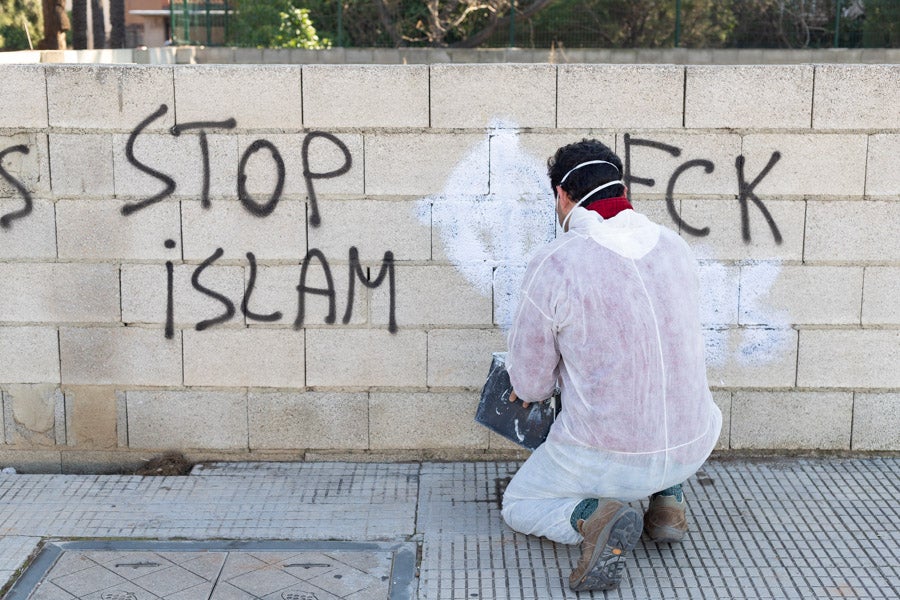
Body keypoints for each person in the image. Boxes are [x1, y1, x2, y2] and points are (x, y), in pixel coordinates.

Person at [501, 139, 722, 592]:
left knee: (519, 503)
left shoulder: (557, 263)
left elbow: (531, 384)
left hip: (607, 458)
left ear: (562, 195)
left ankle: (594, 518)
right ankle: (667, 501)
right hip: (692, 443)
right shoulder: (674, 247)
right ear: (621, 187)